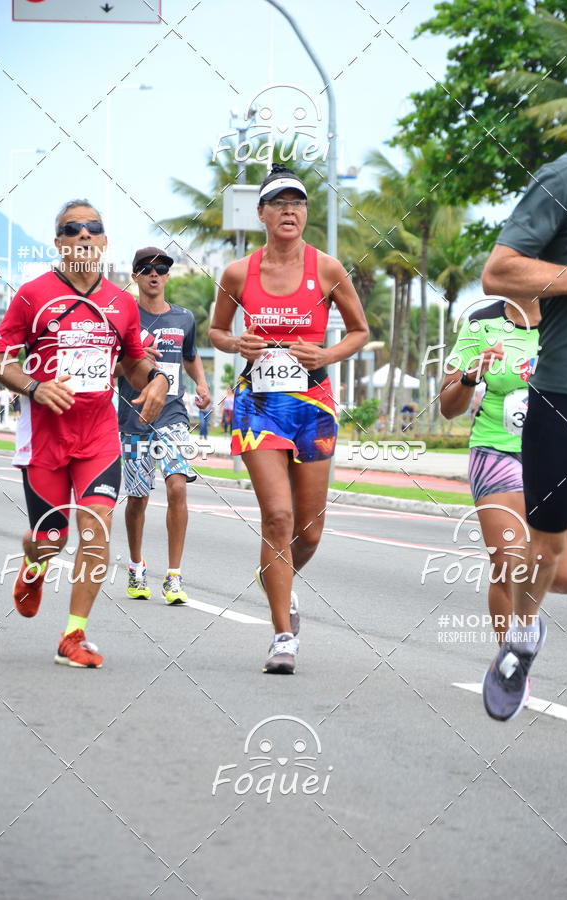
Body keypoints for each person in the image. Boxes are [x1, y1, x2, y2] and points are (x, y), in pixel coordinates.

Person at [0, 200, 169, 668]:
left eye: (94, 228)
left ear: (105, 242)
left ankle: (73, 635)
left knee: (95, 527)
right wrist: (34, 386)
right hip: (45, 439)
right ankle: (33, 564)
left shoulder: (122, 303)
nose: (84, 234)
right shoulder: (33, 295)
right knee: (51, 539)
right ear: (60, 243)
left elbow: (131, 362)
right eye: (73, 228)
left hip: (98, 436)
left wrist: (157, 380)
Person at [209, 163, 369, 674]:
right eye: (278, 203)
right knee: (276, 518)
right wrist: (235, 342)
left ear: (306, 214)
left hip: (313, 407)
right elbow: (215, 330)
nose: (289, 211)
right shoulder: (239, 273)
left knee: (310, 532)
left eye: (297, 203)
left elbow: (360, 331)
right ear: (261, 213)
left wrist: (327, 355)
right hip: (258, 406)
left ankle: (280, 580)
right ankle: (282, 635)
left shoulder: (327, 269)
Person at [481, 148, 567, 720]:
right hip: (565, 394)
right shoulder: (565, 178)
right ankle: (520, 635)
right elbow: (500, 271)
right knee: (553, 562)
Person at [440, 298, 567, 686]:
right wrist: (470, 376)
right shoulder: (482, 323)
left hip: (559, 450)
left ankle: (526, 626)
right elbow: (448, 407)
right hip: (497, 450)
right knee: (508, 561)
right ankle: (513, 663)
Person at [117, 246, 211, 605]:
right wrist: (136, 360)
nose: (154, 274)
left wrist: (201, 384)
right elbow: (111, 369)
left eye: (161, 269)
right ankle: (137, 566)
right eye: (146, 269)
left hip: (173, 416)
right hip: (133, 417)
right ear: (135, 276)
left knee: (177, 487)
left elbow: (190, 356)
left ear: (168, 276)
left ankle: (174, 576)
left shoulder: (184, 318)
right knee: (138, 498)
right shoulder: (125, 319)